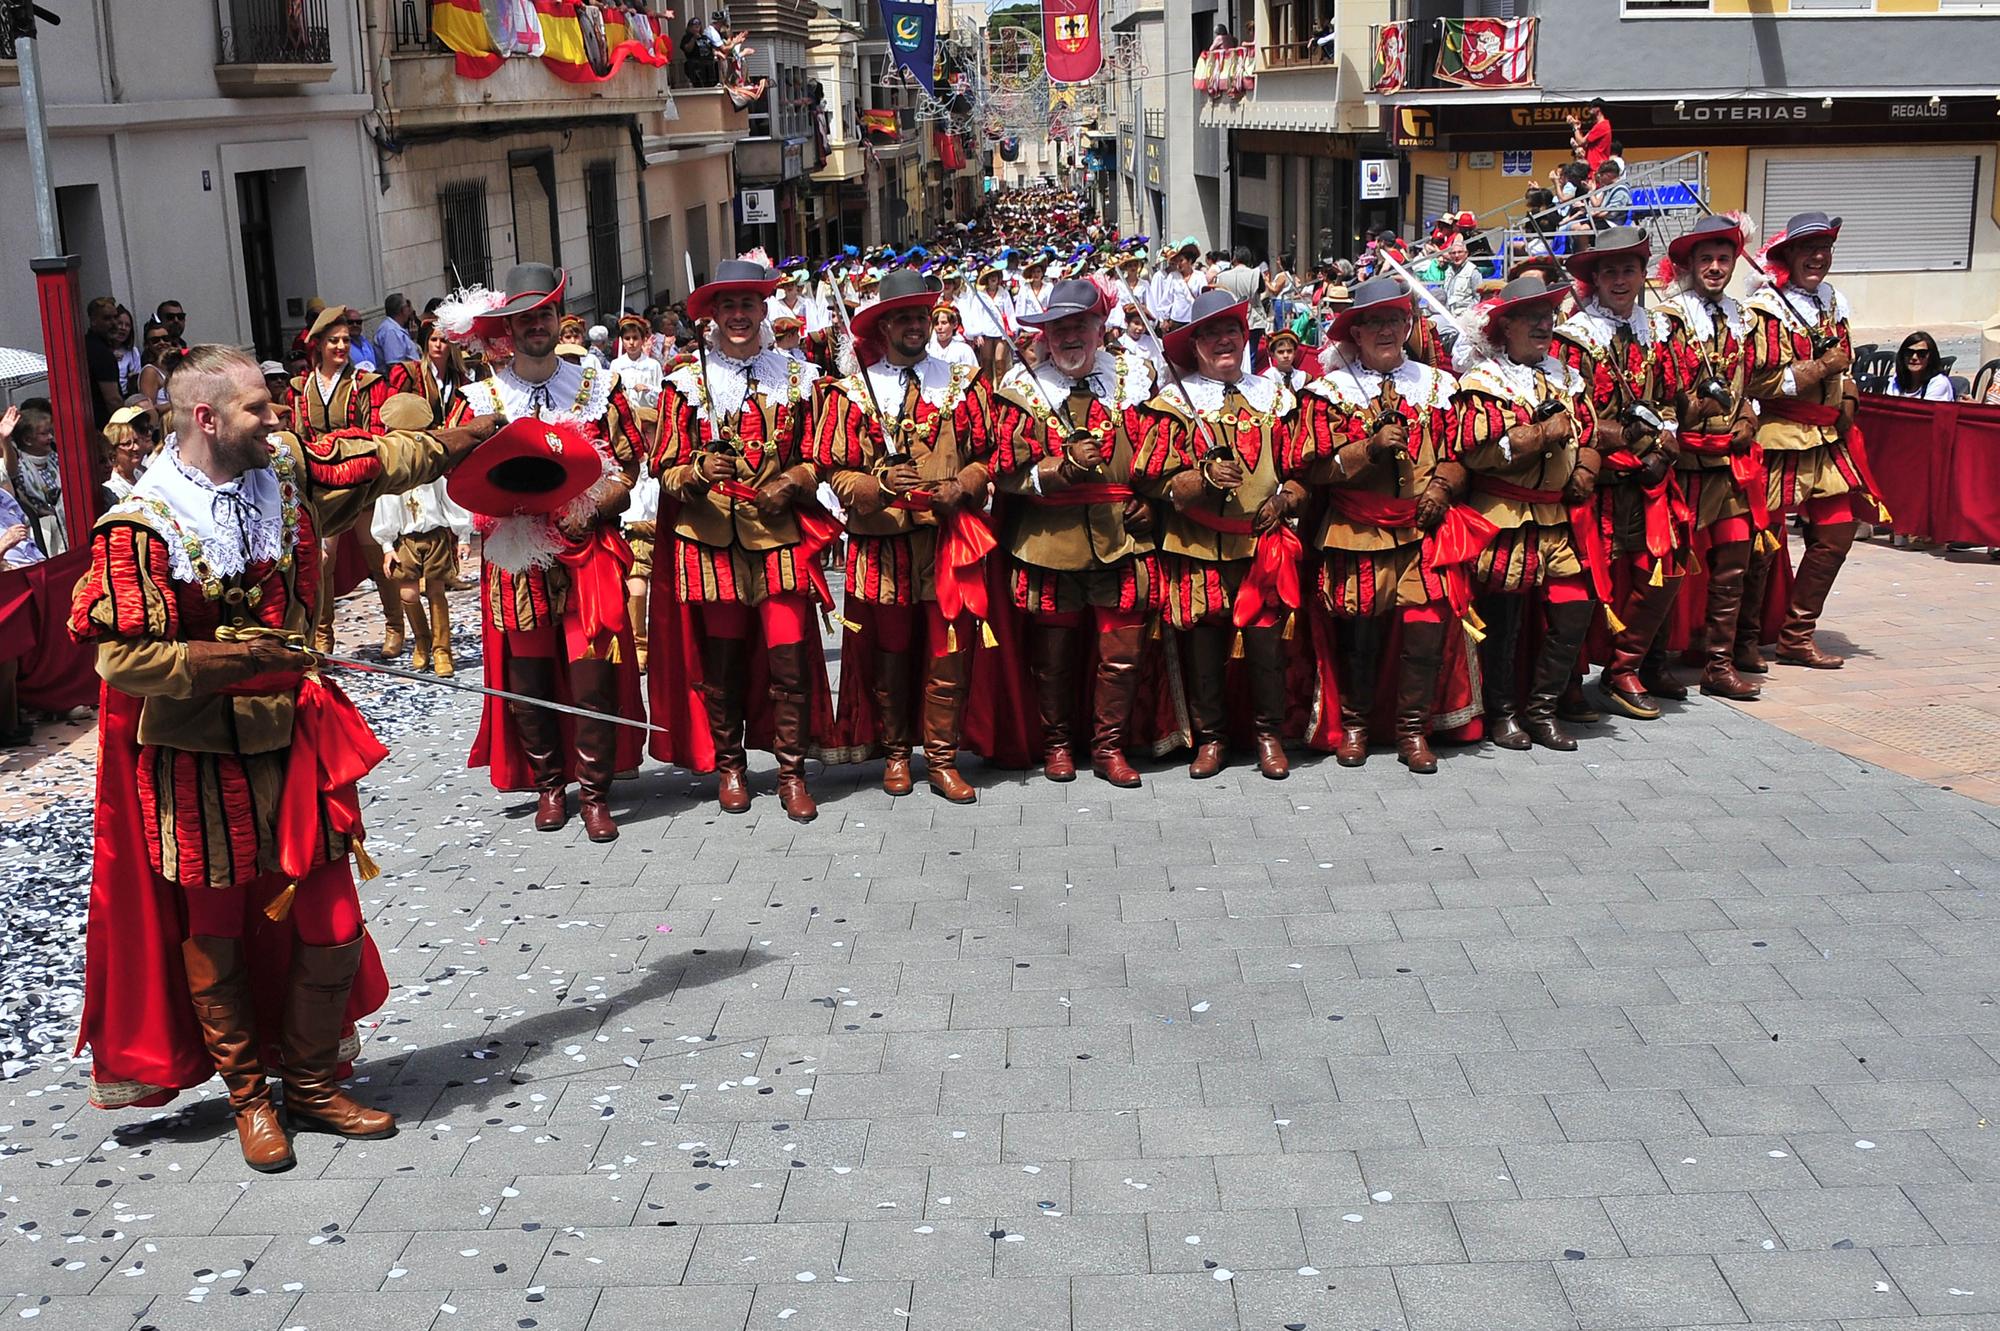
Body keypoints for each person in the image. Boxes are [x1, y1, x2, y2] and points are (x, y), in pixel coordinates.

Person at [68, 342, 497, 1170]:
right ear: (206, 418)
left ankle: (311, 1080)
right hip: (197, 756)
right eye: (260, 409)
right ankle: (249, 1098)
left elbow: (379, 456)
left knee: (332, 917)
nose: (279, 420)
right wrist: (227, 661)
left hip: (297, 743)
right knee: (219, 926)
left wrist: (475, 434)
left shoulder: (285, 475)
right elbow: (117, 657)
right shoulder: (143, 523)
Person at [448, 263, 647, 842]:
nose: (537, 324)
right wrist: (498, 510)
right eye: (525, 317)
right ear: (509, 328)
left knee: (592, 673)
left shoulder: (596, 386)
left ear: (561, 321)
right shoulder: (479, 399)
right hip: (516, 556)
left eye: (545, 314)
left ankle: (595, 794)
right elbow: (459, 476)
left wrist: (590, 505)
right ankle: (549, 786)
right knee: (528, 676)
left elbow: (630, 465)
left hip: (586, 551)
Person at [649, 259, 831, 822]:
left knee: (789, 659)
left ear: (763, 311)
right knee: (721, 664)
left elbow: (821, 454)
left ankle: (792, 773)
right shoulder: (683, 384)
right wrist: (699, 470)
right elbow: (663, 466)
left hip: (778, 538)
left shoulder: (799, 378)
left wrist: (794, 481)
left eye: (747, 305)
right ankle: (730, 767)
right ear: (710, 315)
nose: (738, 316)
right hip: (710, 542)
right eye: (726, 306)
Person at [812, 268, 997, 803]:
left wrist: (963, 483)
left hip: (947, 541)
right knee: (889, 656)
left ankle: (940, 759)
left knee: (947, 654)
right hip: (883, 546)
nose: (915, 326)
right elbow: (831, 467)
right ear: (884, 325)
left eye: (922, 316)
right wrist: (876, 483)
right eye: (904, 318)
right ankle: (896, 754)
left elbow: (989, 456)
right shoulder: (852, 392)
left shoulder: (963, 381)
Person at [1287, 277, 1477, 772]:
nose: (1387, 330)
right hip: (1357, 530)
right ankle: (1355, 725)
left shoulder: (1438, 386)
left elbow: (1461, 457)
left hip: (1424, 529)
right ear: (1356, 331)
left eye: (1395, 319)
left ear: (1409, 325)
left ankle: (1413, 730)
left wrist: (1441, 487)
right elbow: (1310, 466)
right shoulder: (1326, 393)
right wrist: (1366, 450)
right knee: (1360, 635)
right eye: (1375, 322)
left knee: (1424, 631)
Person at [990, 278, 1159, 787]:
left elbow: (1167, 451)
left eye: (1079, 326)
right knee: (1053, 658)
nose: (1069, 337)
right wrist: (1056, 472)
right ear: (1044, 334)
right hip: (1049, 542)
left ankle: (1109, 748)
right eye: (1058, 327)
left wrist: (1154, 502)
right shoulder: (1021, 393)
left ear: (1099, 329)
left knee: (1122, 653)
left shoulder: (1136, 380)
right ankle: (1057, 745)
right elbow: (1003, 470)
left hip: (1123, 537)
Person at [1134, 289, 1303, 780]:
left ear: (1245, 338)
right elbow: (1149, 477)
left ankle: (1269, 735)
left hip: (1262, 546)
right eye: (1210, 333)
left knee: (1267, 646)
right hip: (1197, 546)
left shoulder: (1276, 399)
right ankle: (1212, 738)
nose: (1223, 340)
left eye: (1231, 330)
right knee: (1204, 647)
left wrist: (1286, 499)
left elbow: (1302, 469)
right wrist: (1198, 480)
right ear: (1195, 345)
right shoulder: (1173, 403)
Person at [1450, 275, 1603, 753]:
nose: (1543, 325)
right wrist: (1541, 435)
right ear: (1506, 326)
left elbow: (1592, 431)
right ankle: (1503, 714)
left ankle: (1542, 708)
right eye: (1531, 317)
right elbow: (1475, 449)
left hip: (1559, 517)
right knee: (1505, 618)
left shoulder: (1565, 374)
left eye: (1548, 316)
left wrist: (1587, 468)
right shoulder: (1484, 381)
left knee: (1577, 606)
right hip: (1504, 517)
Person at [1552, 226, 1687, 721]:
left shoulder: (1660, 330)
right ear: (1595, 278)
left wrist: (1666, 440)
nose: (1621, 279)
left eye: (1629, 269)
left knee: (1661, 573)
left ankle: (1623, 668)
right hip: (1599, 479)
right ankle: (1565, 681)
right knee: (1587, 578)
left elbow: (1672, 396)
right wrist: (1631, 438)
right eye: (1610, 270)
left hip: (1651, 479)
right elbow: (1574, 414)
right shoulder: (1573, 339)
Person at [1742, 211, 1882, 671]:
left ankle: (1797, 634)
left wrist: (1848, 400)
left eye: (1824, 248)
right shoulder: (1766, 309)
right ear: (1788, 255)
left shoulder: (1832, 303)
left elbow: (1846, 365)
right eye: (1808, 248)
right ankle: (1743, 639)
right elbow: (1758, 381)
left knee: (1838, 534)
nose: (1818, 256)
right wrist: (1820, 368)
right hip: (1781, 437)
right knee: (1762, 542)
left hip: (1829, 438)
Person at [1660, 213, 1766, 702]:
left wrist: (1747, 417)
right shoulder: (1669, 320)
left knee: (1734, 564)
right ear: (1691, 265)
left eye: (1724, 259)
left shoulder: (1743, 318)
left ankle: (1718, 665)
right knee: (1671, 565)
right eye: (1708, 259)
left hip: (1731, 465)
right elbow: (1663, 392)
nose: (1717, 267)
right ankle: (1652, 661)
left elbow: (1751, 385)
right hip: (1685, 466)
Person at [287, 306, 403, 657]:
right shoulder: (301, 387)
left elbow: (372, 433)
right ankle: (323, 631)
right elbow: (299, 434)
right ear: (318, 345)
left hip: (360, 478)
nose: (341, 347)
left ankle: (394, 625)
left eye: (346, 341)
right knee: (321, 558)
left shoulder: (364, 384)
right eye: (334, 341)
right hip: (323, 483)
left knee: (376, 549)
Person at [1, 399, 66, 557]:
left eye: (51, 432)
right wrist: (6, 441)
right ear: (28, 440)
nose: (50, 437)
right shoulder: (21, 464)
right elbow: (11, 471)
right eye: (44, 434)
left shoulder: (56, 458)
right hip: (44, 533)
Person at [99, 405, 153, 507]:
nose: (136, 447)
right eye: (127, 444)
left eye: (136, 441)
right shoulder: (112, 486)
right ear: (113, 449)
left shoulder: (141, 473)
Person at [607, 313, 664, 406]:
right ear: (622, 340)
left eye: (635, 338)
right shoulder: (616, 364)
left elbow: (662, 394)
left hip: (648, 415)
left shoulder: (653, 365)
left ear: (643, 340)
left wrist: (648, 388)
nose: (631, 342)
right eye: (627, 338)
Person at [85, 295, 125, 427]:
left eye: (115, 317)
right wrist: (125, 427)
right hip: (105, 425)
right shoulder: (101, 353)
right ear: (93, 321)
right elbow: (113, 400)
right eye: (107, 318)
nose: (114, 323)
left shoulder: (87, 345)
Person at [1886, 332, 1955, 401]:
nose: (1914, 357)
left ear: (1931, 357)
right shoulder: (1896, 379)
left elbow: (1926, 409)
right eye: (1909, 352)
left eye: (1921, 353)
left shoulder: (1939, 383)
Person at [1435, 235, 1483, 325]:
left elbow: (1478, 298)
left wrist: (1467, 315)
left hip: (1465, 319)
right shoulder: (1448, 271)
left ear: (1466, 253)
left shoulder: (1473, 272)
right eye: (1453, 253)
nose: (1456, 255)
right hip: (1448, 316)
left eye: (1460, 252)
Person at [374, 294, 421, 369]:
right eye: (407, 306)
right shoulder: (391, 331)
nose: (409, 309)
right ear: (402, 310)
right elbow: (395, 365)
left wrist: (413, 339)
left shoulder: (396, 328)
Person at [929, 304, 980, 370]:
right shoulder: (928, 349)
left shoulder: (964, 350)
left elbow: (973, 376)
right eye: (936, 324)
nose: (939, 327)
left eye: (944, 323)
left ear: (955, 325)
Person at [1569, 98, 1613, 173]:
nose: (1589, 110)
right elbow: (1583, 142)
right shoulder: (1599, 126)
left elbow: (1581, 142)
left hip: (1596, 167)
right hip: (1595, 167)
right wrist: (1578, 129)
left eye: (1591, 107)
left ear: (1597, 109)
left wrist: (1575, 127)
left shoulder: (1601, 126)